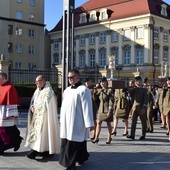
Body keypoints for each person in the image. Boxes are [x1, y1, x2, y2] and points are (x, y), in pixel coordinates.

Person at [59, 69, 94, 170]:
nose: (70, 79)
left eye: (72, 77)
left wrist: (89, 123)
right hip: (66, 121)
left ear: (78, 77)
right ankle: (82, 157)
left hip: (77, 121)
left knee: (74, 141)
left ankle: (71, 164)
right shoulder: (67, 90)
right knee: (70, 140)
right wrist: (62, 118)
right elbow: (63, 106)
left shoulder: (84, 90)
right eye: (68, 77)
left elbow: (87, 107)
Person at [24, 75, 60, 159]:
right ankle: (43, 150)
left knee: (43, 133)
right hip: (36, 116)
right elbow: (34, 101)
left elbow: (47, 105)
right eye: (36, 81)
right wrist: (32, 106)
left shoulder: (48, 92)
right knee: (39, 134)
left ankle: (35, 151)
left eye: (38, 81)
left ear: (43, 81)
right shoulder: (37, 90)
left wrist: (37, 109)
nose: (36, 83)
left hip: (45, 118)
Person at [0, 72, 23, 155]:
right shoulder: (0, 87)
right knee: (2, 131)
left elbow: (12, 101)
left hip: (6, 113)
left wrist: (11, 114)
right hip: (0, 112)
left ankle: (16, 141)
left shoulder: (9, 88)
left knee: (8, 130)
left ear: (3, 78)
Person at [92, 76, 114, 144]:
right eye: (101, 82)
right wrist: (94, 92)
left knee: (108, 123)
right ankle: (96, 138)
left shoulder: (109, 90)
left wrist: (110, 110)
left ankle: (109, 137)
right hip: (101, 109)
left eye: (103, 82)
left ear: (106, 83)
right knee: (98, 123)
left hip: (107, 109)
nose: (102, 83)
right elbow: (95, 99)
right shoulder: (99, 90)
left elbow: (111, 100)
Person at [127, 76, 148, 140]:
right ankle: (132, 134)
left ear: (141, 81)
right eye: (136, 81)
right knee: (133, 121)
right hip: (135, 107)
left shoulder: (144, 89)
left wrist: (144, 108)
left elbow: (146, 99)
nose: (137, 82)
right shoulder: (134, 89)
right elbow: (131, 96)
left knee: (143, 122)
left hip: (141, 107)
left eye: (138, 81)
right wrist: (130, 89)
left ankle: (143, 135)